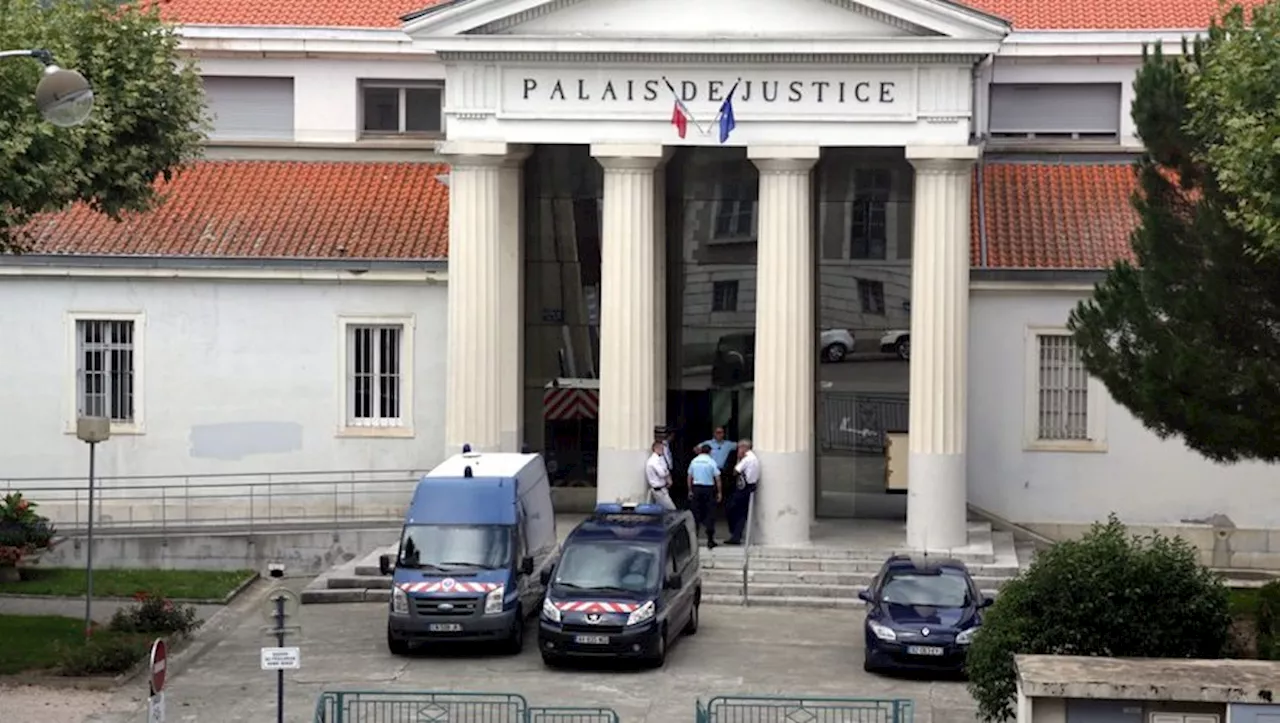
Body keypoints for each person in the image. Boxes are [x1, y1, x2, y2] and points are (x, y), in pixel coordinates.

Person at [725, 438, 760, 545]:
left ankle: (735, 535)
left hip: (744, 488)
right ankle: (736, 535)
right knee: (740, 513)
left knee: (733, 509)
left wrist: (740, 459)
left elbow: (736, 471)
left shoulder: (746, 459)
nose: (738, 450)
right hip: (748, 487)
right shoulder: (753, 457)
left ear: (744, 448)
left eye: (740, 448)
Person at [687, 443, 722, 548]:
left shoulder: (694, 461)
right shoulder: (711, 462)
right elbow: (718, 478)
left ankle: (694, 540)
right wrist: (719, 492)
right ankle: (710, 540)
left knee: (695, 514)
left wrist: (690, 490)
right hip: (708, 489)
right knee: (710, 514)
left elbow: (689, 477)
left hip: (696, 488)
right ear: (709, 452)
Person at [644, 440, 676, 511]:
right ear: (655, 449)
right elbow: (662, 473)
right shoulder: (653, 461)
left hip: (662, 489)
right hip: (659, 490)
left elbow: (665, 469)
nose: (662, 451)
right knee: (672, 509)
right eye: (661, 449)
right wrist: (668, 477)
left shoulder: (659, 459)